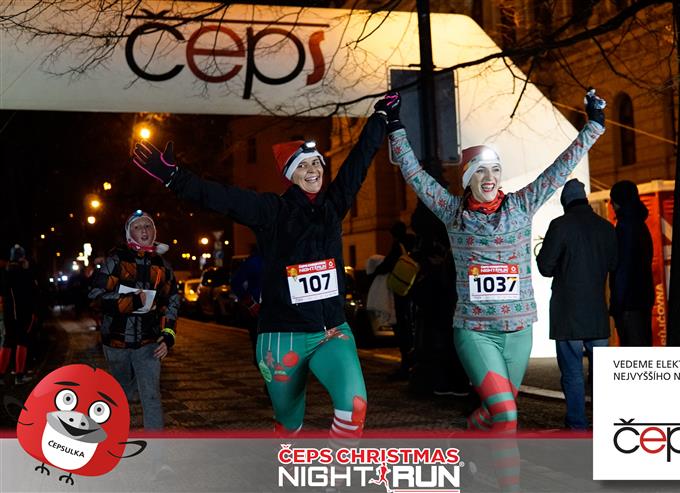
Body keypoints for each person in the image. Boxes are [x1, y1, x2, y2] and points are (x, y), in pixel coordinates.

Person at [131, 94, 399, 438]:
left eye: (316, 163)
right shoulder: (272, 211)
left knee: (354, 407)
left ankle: (332, 468)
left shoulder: (334, 206)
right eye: (302, 166)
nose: (312, 170)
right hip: (282, 337)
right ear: (290, 175)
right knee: (289, 424)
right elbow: (223, 197)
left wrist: (379, 118)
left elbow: (358, 163)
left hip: (331, 331)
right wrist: (174, 177)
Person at [388, 88, 606, 434]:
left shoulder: (521, 204)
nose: (489, 178)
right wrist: (395, 125)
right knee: (506, 414)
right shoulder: (452, 212)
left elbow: (560, 168)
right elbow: (414, 174)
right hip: (476, 332)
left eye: (495, 170)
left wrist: (594, 124)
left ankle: (472, 440)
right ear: (467, 179)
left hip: (519, 332)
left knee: (496, 412)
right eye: (480, 171)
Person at [536, 178, 617, 430]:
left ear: (565, 202)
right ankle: (605, 422)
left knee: (572, 373)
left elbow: (545, 267)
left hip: (567, 312)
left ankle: (577, 425)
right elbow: (614, 264)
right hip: (596, 313)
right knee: (601, 374)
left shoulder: (559, 226)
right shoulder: (606, 228)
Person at [88, 210, 179, 429]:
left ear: (154, 231)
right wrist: (133, 301)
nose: (143, 231)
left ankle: (155, 449)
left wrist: (168, 337)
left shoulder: (162, 265)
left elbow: (172, 302)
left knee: (151, 396)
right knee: (120, 395)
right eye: (137, 227)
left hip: (149, 342)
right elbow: (94, 297)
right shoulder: (116, 260)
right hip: (116, 342)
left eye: (147, 226)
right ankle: (116, 439)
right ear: (130, 233)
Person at [609, 180, 655, 346]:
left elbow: (623, 268)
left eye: (613, 200)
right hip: (643, 297)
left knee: (633, 349)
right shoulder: (640, 225)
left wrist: (617, 303)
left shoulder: (624, 227)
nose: (611, 204)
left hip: (629, 302)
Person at [374, 221, 416, 379]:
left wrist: (374, 272)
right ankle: (411, 363)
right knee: (411, 328)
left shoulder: (398, 245)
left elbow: (388, 264)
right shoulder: (414, 241)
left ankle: (406, 365)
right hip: (413, 289)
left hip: (401, 290)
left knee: (403, 328)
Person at [0, 244, 39, 386]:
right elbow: (34, 293)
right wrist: (34, 312)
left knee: (7, 342)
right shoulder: (25, 273)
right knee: (22, 342)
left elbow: (3, 293)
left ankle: (1, 375)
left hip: (8, 313)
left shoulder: (5, 273)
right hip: (24, 312)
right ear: (22, 258)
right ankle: (19, 375)